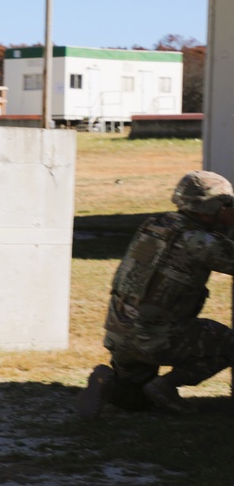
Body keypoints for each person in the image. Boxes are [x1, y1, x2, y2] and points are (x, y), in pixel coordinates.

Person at [77, 170, 234, 420]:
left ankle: (114, 385)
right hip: (156, 338)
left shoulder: (156, 224)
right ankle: (168, 385)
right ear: (211, 208)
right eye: (227, 204)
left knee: (137, 400)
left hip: (119, 334)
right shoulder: (199, 240)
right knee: (229, 344)